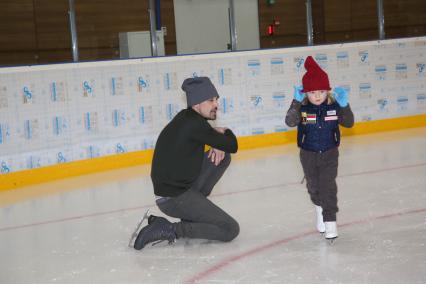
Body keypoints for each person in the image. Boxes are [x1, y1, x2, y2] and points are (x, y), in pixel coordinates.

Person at [133, 76, 239, 250]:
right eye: (211, 100)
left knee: (223, 157)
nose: (216, 105)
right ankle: (171, 229)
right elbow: (232, 145)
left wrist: (216, 141)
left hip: (176, 190)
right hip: (174, 198)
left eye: (216, 100)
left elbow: (222, 146)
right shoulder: (195, 125)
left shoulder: (188, 118)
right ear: (197, 103)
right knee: (230, 229)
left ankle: (190, 216)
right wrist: (224, 131)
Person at [285, 56, 354, 242]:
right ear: (305, 92)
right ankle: (319, 208)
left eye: (322, 91)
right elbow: (290, 121)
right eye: (313, 92)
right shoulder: (303, 108)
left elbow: (349, 123)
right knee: (314, 187)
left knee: (328, 187)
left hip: (330, 153)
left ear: (328, 91)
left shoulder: (334, 107)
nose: (317, 96)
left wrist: (344, 105)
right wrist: (295, 102)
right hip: (308, 154)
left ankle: (330, 221)